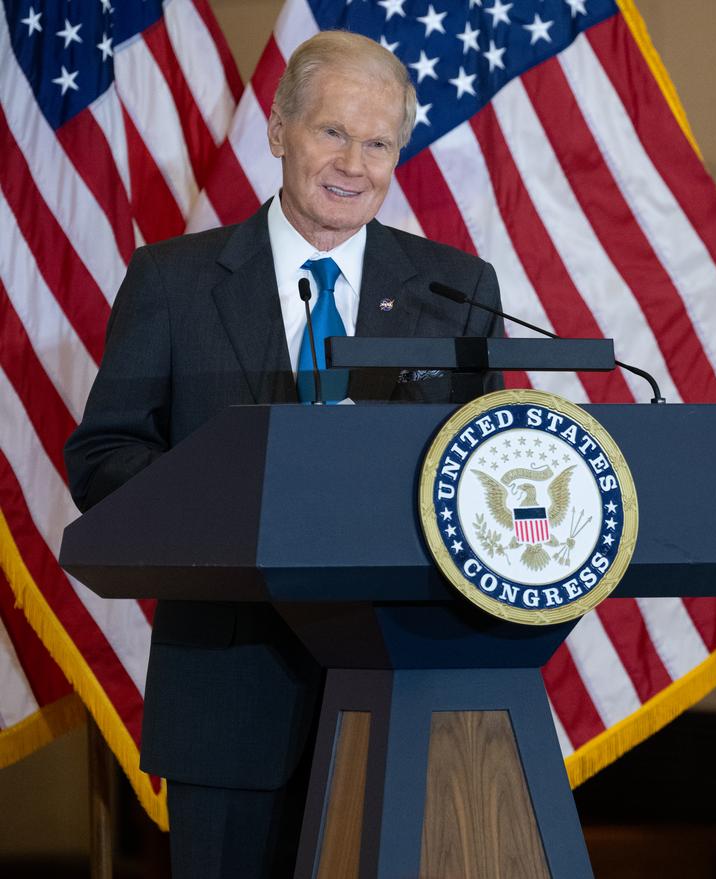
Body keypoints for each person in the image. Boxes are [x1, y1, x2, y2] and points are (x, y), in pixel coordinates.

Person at [64, 31, 502, 877]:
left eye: (378, 143)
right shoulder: (174, 282)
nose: (354, 165)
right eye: (332, 132)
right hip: (228, 697)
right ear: (277, 130)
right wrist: (233, 501)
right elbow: (105, 454)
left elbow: (481, 468)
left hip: (404, 689)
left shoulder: (456, 291)